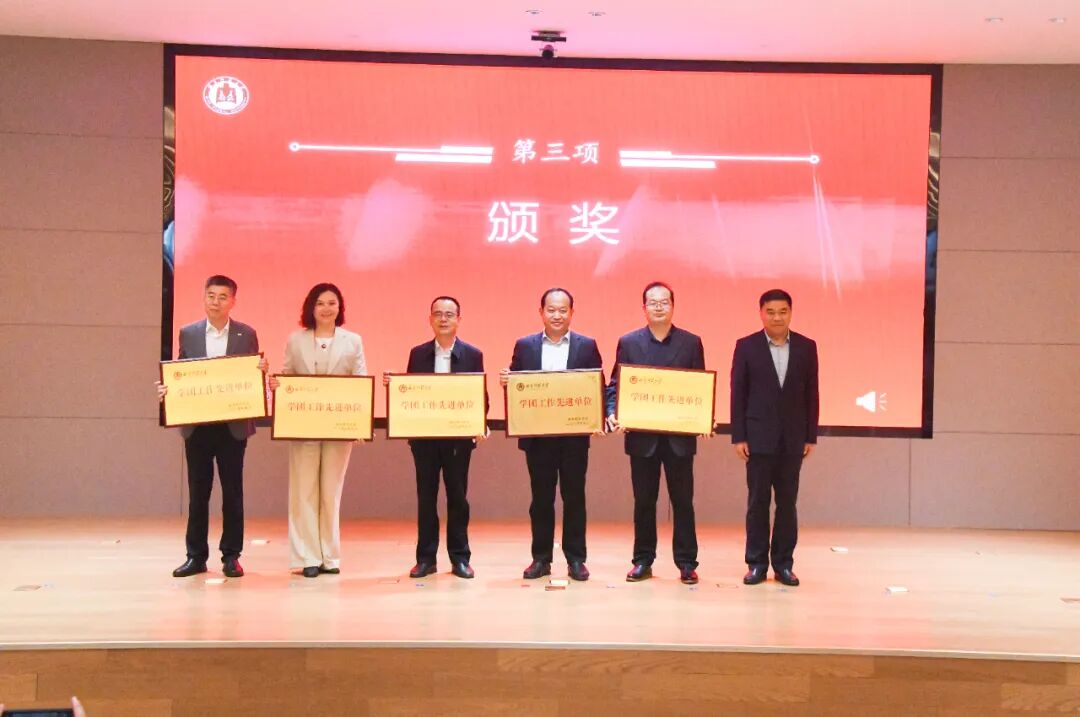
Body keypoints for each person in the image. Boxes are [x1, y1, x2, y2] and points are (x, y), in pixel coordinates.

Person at [157, 275, 266, 579]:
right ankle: (196, 556)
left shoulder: (246, 334)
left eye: (222, 297)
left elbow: (251, 376)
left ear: (233, 301)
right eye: (211, 296)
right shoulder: (188, 333)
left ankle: (231, 556)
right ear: (204, 298)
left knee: (233, 493)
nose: (216, 302)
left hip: (233, 426)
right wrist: (168, 390)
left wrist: (260, 372)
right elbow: (181, 372)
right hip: (198, 426)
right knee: (198, 494)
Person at [605, 282, 708, 585]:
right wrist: (612, 411)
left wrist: (702, 417)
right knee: (644, 502)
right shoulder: (629, 342)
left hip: (679, 439)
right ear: (644, 307)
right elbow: (615, 385)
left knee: (683, 502)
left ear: (673, 306)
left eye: (664, 302)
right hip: (642, 438)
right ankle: (642, 560)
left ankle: (687, 563)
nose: (659, 307)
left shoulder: (691, 343)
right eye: (653, 302)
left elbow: (698, 387)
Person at [500, 288, 604, 582]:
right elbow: (518, 385)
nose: (557, 315)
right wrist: (508, 381)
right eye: (551, 310)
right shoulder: (525, 346)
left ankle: (576, 559)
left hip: (574, 437)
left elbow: (597, 384)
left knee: (575, 498)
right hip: (538, 438)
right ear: (541, 312)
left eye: (562, 310)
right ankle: (541, 558)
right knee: (541, 500)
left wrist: (597, 417)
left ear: (572, 313)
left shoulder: (587, 345)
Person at [269, 283, 367, 578]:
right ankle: (307, 557)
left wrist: (359, 423)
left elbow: (360, 381)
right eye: (321, 303)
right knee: (304, 492)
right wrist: (277, 385)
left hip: (339, 429)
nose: (327, 308)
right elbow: (287, 376)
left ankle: (330, 557)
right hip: (304, 427)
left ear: (340, 307)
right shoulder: (296, 340)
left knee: (331, 492)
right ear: (311, 308)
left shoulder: (353, 341)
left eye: (332, 303)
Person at [386, 296, 486, 580]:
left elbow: (479, 394)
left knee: (458, 498)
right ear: (430, 319)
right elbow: (410, 394)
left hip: (458, 440)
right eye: (438, 314)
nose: (443, 319)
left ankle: (460, 558)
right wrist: (395, 388)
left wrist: (480, 422)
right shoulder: (418, 354)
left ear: (459, 319)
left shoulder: (472, 354)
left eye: (449, 314)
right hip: (425, 440)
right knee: (426, 497)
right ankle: (426, 559)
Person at [731, 289, 819, 587]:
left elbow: (812, 393)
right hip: (757, 438)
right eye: (770, 312)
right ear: (761, 313)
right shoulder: (746, 346)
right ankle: (756, 564)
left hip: (793, 439)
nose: (777, 317)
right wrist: (739, 436)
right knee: (757, 502)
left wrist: (810, 435)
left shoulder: (807, 347)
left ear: (791, 313)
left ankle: (783, 564)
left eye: (783, 311)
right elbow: (738, 393)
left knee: (787, 504)